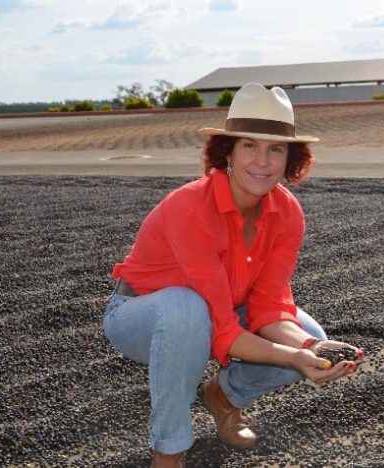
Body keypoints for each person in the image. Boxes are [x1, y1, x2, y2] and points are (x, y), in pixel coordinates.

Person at [103, 82, 363, 467]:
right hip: (142, 317)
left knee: (313, 337)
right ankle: (169, 451)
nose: (263, 160)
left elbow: (270, 307)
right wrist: (292, 357)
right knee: (184, 307)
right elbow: (221, 327)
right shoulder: (191, 208)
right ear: (228, 151)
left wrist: (307, 351)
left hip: (217, 314)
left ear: (290, 157)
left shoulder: (287, 212)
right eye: (249, 146)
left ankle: (224, 397)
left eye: (275, 148)